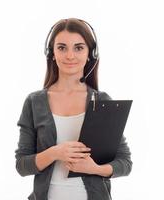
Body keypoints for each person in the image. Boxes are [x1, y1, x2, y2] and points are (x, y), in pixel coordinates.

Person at [15, 18, 132, 200]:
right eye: (62, 47)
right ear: (52, 53)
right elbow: (22, 165)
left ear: (90, 54)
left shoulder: (101, 101)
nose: (70, 55)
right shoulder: (34, 102)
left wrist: (95, 169)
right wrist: (55, 152)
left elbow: (125, 162)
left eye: (78, 48)